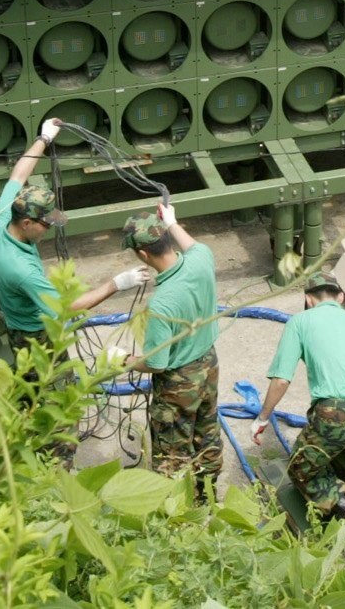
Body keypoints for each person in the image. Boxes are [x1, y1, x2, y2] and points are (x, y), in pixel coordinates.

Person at [0, 122, 149, 355]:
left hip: (18, 316)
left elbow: (19, 175)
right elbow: (66, 308)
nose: (49, 229)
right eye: (46, 224)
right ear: (26, 223)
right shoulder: (22, 271)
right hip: (34, 336)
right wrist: (117, 284)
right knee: (50, 385)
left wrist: (44, 138)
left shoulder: (2, 219)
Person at [249, 271, 345, 524]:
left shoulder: (300, 322)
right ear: (341, 297)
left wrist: (262, 418)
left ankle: (343, 510)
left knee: (301, 469)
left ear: (308, 299)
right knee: (343, 466)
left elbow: (281, 379)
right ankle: (340, 514)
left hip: (335, 412)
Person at [122, 204, 222, 497]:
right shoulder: (202, 258)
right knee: (207, 430)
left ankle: (174, 510)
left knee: (171, 449)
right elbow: (190, 244)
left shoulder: (162, 303)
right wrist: (173, 221)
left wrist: (124, 361)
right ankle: (208, 493)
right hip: (208, 363)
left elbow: (156, 363)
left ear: (143, 255)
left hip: (178, 380)